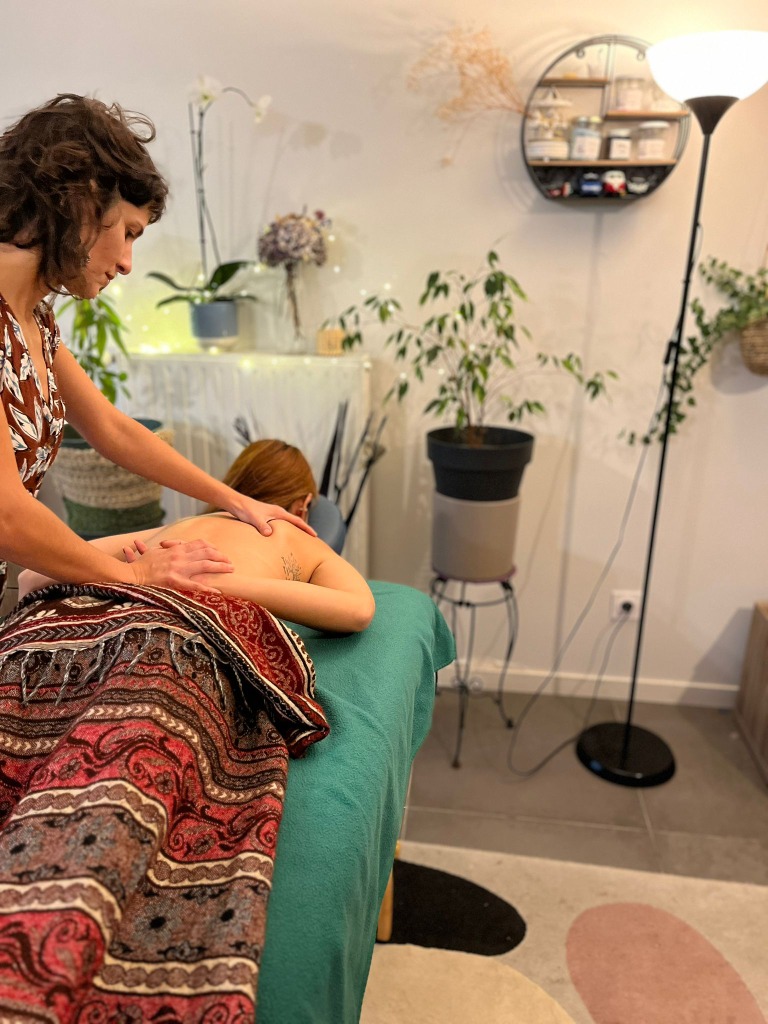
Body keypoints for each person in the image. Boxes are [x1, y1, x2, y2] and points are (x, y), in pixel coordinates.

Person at [0, 94, 313, 611]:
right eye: (128, 233)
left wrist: (235, 499)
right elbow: (7, 515)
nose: (127, 263)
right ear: (81, 201)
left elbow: (113, 429)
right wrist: (136, 574)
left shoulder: (35, 322)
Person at [19, 439, 375, 633]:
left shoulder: (179, 531)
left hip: (61, 631)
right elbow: (359, 611)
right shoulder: (299, 535)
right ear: (304, 505)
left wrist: (138, 575)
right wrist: (212, 583)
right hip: (174, 642)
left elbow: (31, 578)